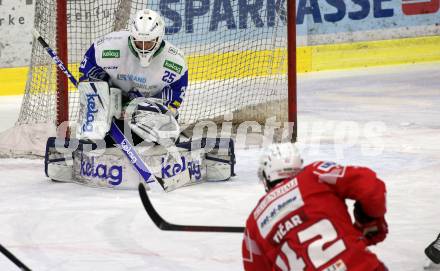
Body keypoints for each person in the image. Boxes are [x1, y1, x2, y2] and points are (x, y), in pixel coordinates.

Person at [242, 143, 388, 271]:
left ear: (265, 176)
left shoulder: (253, 223)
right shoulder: (313, 174)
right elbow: (371, 187)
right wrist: (368, 219)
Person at [78, 8, 187, 145]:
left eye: (148, 42)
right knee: (92, 98)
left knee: (164, 130)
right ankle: (91, 140)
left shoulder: (175, 62)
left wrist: (136, 109)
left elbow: (171, 101)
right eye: (138, 41)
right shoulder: (108, 46)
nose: (143, 46)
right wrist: (103, 98)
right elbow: (88, 74)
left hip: (145, 114)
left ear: (159, 38)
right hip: (113, 110)